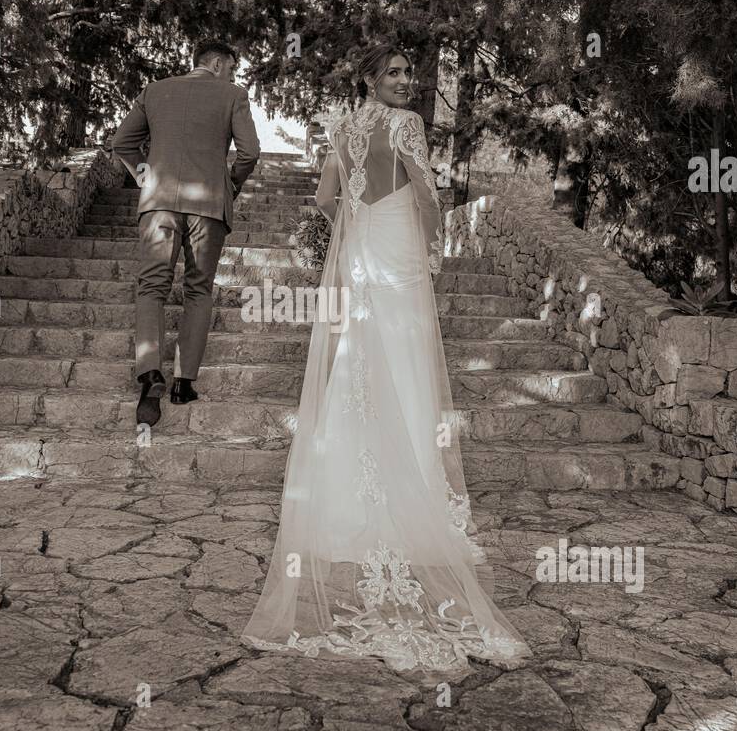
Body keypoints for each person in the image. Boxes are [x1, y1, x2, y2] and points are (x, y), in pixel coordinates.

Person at [240, 43, 532, 674]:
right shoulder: (407, 126)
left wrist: (357, 225)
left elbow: (324, 198)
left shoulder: (343, 128)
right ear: (371, 79)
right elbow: (427, 194)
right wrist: (427, 241)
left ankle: (346, 511)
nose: (407, 81)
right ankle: (410, 505)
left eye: (409, 73)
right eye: (394, 73)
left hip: (360, 257)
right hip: (396, 258)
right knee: (405, 363)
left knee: (357, 370)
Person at [110, 41, 261, 426]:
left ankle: (149, 374)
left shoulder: (155, 90)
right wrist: (230, 186)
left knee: (151, 287)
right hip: (209, 205)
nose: (232, 76)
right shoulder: (233, 96)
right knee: (198, 288)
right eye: (231, 68)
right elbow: (249, 154)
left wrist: (144, 174)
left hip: (158, 202)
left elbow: (121, 142)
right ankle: (183, 382)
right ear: (216, 63)